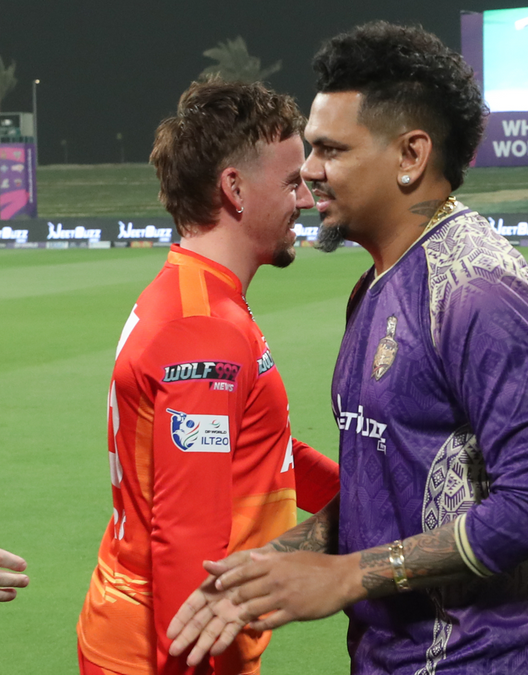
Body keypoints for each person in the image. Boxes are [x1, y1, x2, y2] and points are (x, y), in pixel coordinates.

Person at [166, 22, 528, 675]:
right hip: (387, 656)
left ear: (410, 155)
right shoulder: (375, 283)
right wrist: (277, 558)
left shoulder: (479, 290)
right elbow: (385, 490)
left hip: (479, 659)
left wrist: (346, 577)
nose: (308, 171)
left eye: (330, 150)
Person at [75, 80, 340, 675]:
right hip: (158, 654)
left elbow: (258, 445)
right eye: (291, 182)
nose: (304, 199)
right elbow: (186, 548)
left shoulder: (198, 297)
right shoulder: (204, 332)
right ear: (234, 189)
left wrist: (363, 494)